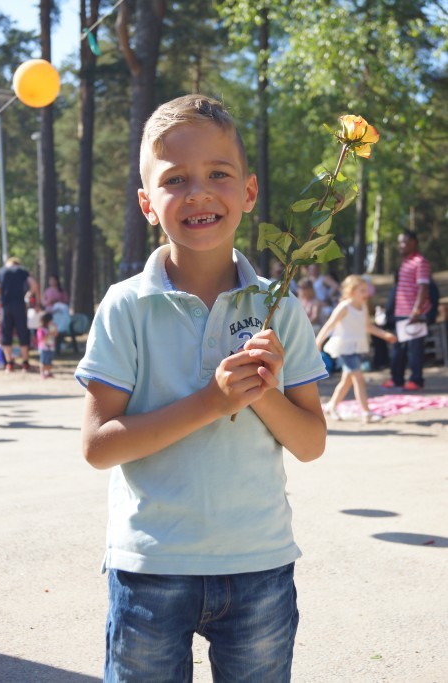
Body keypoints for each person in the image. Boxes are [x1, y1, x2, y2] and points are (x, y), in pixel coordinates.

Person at [75, 94, 328, 682]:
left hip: (259, 564)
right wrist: (212, 402)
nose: (198, 192)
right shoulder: (126, 306)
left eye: (218, 173)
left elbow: (311, 442)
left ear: (249, 191)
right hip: (150, 565)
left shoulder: (279, 306)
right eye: (175, 179)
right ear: (146, 203)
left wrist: (263, 392)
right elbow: (98, 446)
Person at [316, 275, 397, 423]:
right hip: (345, 348)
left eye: (366, 290)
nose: (366, 294)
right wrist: (318, 342)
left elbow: (367, 326)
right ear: (351, 291)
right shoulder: (344, 307)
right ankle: (366, 413)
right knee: (359, 379)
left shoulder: (363, 306)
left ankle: (332, 405)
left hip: (356, 347)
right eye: (362, 291)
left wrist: (384, 335)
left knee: (346, 381)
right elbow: (329, 325)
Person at [382, 230, 431, 390]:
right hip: (400, 313)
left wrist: (416, 312)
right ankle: (397, 379)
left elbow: (423, 288)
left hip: (414, 314)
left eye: (404, 242)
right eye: (399, 242)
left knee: (415, 349)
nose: (401, 245)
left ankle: (416, 381)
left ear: (414, 242)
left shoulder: (420, 261)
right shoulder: (404, 262)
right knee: (398, 349)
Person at [0, 256, 41, 372]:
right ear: (17, 264)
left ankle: (9, 364)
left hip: (6, 307)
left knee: (6, 334)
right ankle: (25, 363)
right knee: (22, 333)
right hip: (20, 305)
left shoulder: (0, 272)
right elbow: (34, 285)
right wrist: (32, 297)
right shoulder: (22, 271)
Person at [36, 311, 58, 378]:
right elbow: (41, 339)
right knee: (43, 361)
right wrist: (49, 333)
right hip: (43, 348)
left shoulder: (50, 328)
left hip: (51, 347)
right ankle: (42, 372)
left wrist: (55, 330)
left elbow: (56, 335)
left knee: (49, 361)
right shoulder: (41, 329)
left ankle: (48, 372)